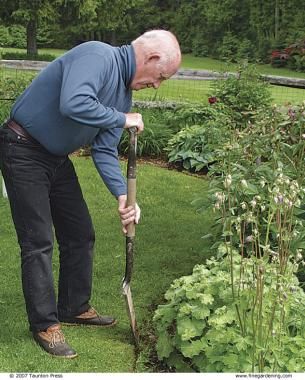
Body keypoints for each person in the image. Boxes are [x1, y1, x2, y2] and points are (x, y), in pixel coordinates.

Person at [0, 29, 181, 358]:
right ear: (152, 59)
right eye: (160, 77)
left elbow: (104, 150)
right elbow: (74, 102)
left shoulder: (123, 95)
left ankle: (73, 306)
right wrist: (122, 118)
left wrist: (122, 194)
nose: (157, 85)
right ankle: (45, 324)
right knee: (38, 240)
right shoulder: (98, 55)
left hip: (55, 158)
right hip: (23, 149)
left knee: (80, 233)